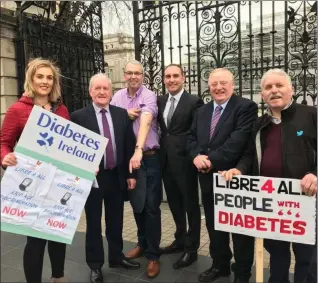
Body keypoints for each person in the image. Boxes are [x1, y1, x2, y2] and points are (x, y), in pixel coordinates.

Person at [220, 68, 317, 283]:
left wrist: (315, 174)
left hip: (306, 204)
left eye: (279, 85)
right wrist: (239, 170)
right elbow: (248, 155)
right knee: (278, 255)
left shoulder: (311, 115)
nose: (274, 91)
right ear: (262, 94)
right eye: (268, 87)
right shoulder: (260, 124)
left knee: (307, 258)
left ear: (290, 89)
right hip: (272, 205)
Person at [0, 58, 70, 283]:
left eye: (49, 77)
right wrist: (5, 157)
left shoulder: (62, 110)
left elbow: (69, 147)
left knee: (57, 233)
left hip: (58, 183)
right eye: (40, 76)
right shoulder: (18, 109)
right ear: (31, 78)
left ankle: (58, 277)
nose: (45, 81)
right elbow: (3, 142)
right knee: (36, 239)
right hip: (32, 183)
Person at [187, 68, 258, 283]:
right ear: (208, 86)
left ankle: (242, 273)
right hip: (208, 179)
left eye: (223, 83)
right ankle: (220, 265)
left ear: (232, 84)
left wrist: (209, 160)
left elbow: (237, 141)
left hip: (234, 178)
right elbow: (191, 137)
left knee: (240, 230)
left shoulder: (246, 107)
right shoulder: (202, 110)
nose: (219, 87)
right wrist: (195, 157)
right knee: (214, 224)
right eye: (214, 83)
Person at [71, 73, 140, 283]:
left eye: (106, 89)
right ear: (90, 91)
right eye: (97, 88)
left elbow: (128, 145)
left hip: (116, 176)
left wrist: (131, 174)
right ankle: (95, 265)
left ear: (111, 92)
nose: (102, 92)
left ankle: (117, 257)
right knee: (93, 223)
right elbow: (73, 149)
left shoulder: (121, 114)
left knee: (116, 220)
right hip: (92, 179)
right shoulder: (78, 117)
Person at [111, 60, 162, 278]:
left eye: (138, 73)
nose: (133, 76)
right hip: (127, 163)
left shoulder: (148, 95)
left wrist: (139, 150)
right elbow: (112, 121)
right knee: (137, 205)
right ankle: (142, 243)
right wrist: (124, 115)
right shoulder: (117, 97)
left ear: (143, 76)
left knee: (151, 207)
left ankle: (153, 255)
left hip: (148, 157)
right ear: (125, 75)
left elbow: (146, 121)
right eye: (130, 73)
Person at [157, 64, 203, 268]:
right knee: (174, 204)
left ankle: (191, 249)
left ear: (183, 78)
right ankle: (180, 239)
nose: (171, 79)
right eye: (168, 76)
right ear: (164, 79)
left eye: (176, 75)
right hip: (166, 161)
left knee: (190, 206)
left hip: (186, 162)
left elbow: (198, 132)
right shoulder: (160, 101)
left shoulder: (194, 101)